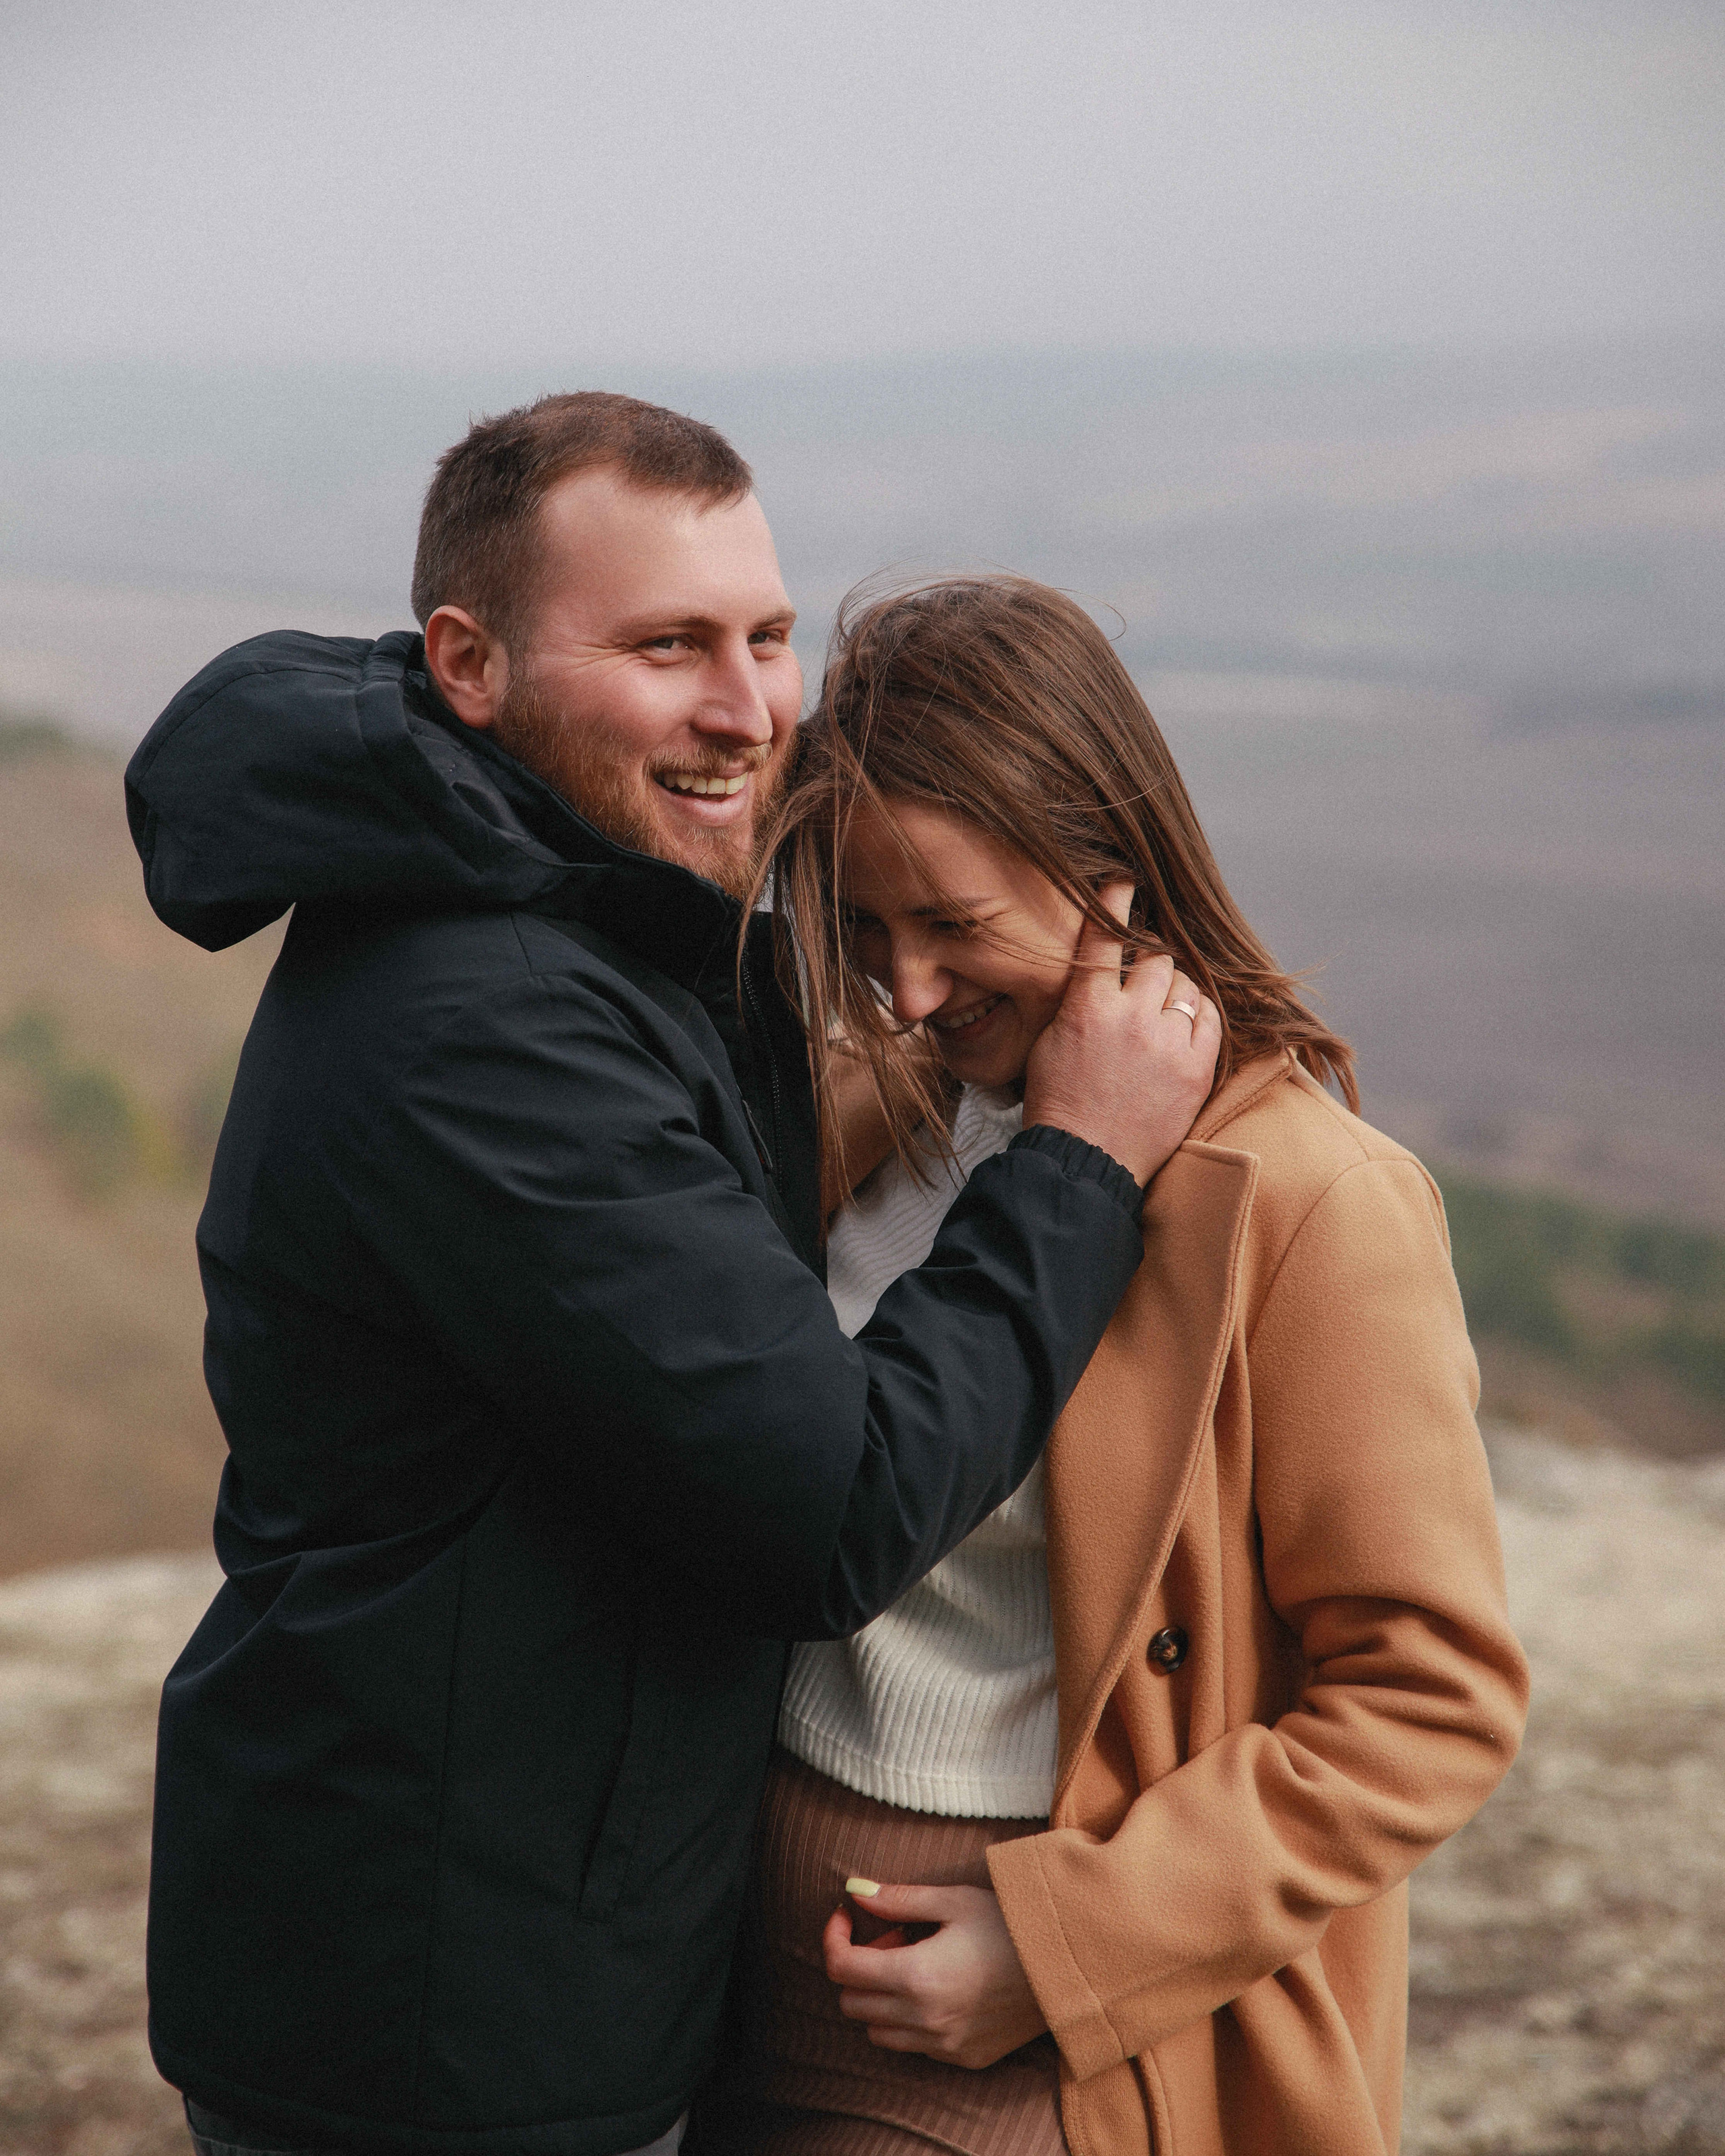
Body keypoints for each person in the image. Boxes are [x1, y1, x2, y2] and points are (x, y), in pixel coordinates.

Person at [123, 398, 1221, 2156]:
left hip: (513, 1946)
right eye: (665, 647)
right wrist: (1077, 1164)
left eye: (766, 636)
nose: (748, 707)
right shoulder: (485, 1027)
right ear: (467, 664)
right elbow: (831, 1507)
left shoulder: (568, 908)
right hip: (448, 2033)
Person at [701, 576, 1532, 2156]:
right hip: (726, 1992)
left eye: (952, 926)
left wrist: (1062, 1945)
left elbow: (1429, 1697)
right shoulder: (871, 1116)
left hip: (1043, 2060)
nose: (906, 988)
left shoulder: (1306, 1200)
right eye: (864, 927)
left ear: (1111, 877)